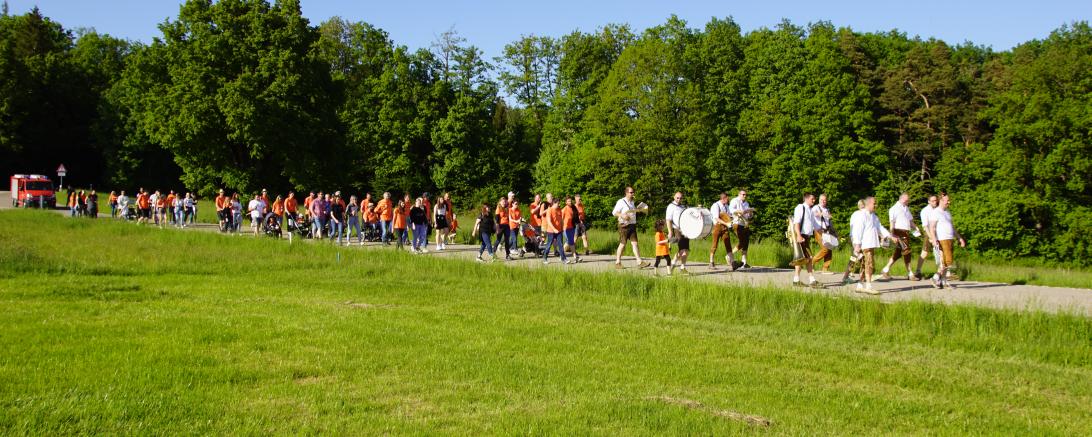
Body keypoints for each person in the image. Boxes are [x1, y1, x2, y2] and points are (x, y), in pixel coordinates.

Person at [850, 196, 897, 294]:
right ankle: (868, 286)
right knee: (869, 264)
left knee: (865, 265)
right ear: (868, 204)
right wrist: (857, 245)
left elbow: (880, 228)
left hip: (871, 244)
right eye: (874, 203)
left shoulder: (874, 217)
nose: (876, 205)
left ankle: (860, 285)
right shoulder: (862, 215)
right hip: (864, 245)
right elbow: (857, 231)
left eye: (876, 203)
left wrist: (890, 236)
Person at [927, 194, 966, 289]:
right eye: (947, 200)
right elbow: (931, 227)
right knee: (948, 261)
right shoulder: (936, 212)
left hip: (950, 239)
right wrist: (934, 239)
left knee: (945, 261)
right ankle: (935, 277)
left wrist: (959, 238)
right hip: (942, 239)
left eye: (949, 200)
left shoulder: (947, 212)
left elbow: (952, 227)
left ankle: (943, 281)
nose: (949, 202)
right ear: (941, 200)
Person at [881, 192, 920, 281]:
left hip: (906, 233)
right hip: (898, 232)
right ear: (902, 199)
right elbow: (892, 223)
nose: (908, 201)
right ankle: (910, 273)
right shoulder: (893, 209)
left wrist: (916, 228)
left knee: (898, 253)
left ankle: (885, 269)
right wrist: (892, 234)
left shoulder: (906, 208)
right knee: (907, 251)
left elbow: (910, 221)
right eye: (906, 200)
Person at [612, 186, 649, 269]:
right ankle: (617, 262)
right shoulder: (621, 201)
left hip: (632, 225)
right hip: (624, 226)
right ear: (626, 193)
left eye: (633, 192)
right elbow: (614, 212)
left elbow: (631, 212)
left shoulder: (632, 202)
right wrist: (622, 215)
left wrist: (639, 209)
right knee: (622, 244)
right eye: (631, 192)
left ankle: (639, 262)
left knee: (635, 243)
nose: (633, 194)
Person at [791, 193, 819, 287]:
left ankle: (797, 280)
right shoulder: (800, 207)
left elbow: (814, 225)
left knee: (803, 259)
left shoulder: (810, 210)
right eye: (812, 199)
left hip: (806, 237)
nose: (814, 200)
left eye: (814, 199)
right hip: (801, 236)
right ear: (806, 199)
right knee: (806, 258)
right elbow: (796, 223)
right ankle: (811, 280)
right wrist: (798, 235)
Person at [708, 192, 735, 271]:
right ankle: (711, 262)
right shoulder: (715, 205)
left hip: (725, 227)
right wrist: (726, 223)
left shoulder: (726, 206)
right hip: (717, 227)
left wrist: (734, 217)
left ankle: (733, 263)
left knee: (728, 244)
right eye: (727, 198)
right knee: (714, 244)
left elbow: (729, 215)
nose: (728, 199)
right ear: (723, 198)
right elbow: (716, 218)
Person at [728, 190, 755, 269]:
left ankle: (744, 262)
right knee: (742, 241)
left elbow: (749, 216)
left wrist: (750, 213)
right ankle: (729, 255)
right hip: (737, 223)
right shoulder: (734, 200)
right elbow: (731, 210)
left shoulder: (746, 203)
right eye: (743, 194)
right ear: (739, 194)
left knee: (746, 242)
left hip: (745, 224)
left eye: (746, 195)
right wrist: (739, 211)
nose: (745, 196)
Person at [915, 195, 939, 279]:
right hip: (929, 232)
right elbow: (925, 226)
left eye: (935, 200)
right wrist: (931, 238)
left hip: (938, 232)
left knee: (940, 252)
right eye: (932, 201)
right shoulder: (925, 211)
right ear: (928, 201)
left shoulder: (938, 209)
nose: (935, 202)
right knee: (925, 252)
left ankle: (942, 271)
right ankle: (918, 271)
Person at [665, 191, 690, 274]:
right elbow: (668, 220)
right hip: (677, 230)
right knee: (683, 249)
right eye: (677, 198)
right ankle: (678, 265)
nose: (679, 199)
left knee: (686, 250)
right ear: (674, 197)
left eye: (680, 198)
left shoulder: (683, 207)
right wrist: (670, 232)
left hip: (685, 230)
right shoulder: (671, 207)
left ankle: (678, 264)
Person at [811, 194, 834, 273]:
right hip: (819, 230)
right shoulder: (816, 207)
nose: (824, 201)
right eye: (822, 200)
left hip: (827, 230)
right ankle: (812, 261)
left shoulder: (827, 209)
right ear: (819, 200)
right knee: (825, 249)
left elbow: (830, 218)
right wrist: (825, 215)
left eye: (825, 200)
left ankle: (825, 268)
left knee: (829, 249)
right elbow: (815, 214)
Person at [542, 198, 569, 264]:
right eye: (558, 203)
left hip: (559, 231)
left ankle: (563, 259)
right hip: (551, 231)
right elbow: (549, 221)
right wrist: (554, 229)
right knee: (549, 245)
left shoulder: (559, 209)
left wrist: (562, 227)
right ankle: (545, 258)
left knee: (560, 245)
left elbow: (561, 220)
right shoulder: (550, 210)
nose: (559, 205)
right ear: (554, 203)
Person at [562, 196, 581, 263]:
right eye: (569, 201)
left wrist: (579, 223)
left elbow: (576, 217)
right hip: (565, 228)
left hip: (571, 227)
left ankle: (562, 255)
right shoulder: (564, 209)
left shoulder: (572, 208)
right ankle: (575, 256)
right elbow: (561, 219)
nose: (570, 202)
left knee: (570, 242)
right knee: (570, 242)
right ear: (566, 202)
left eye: (571, 201)